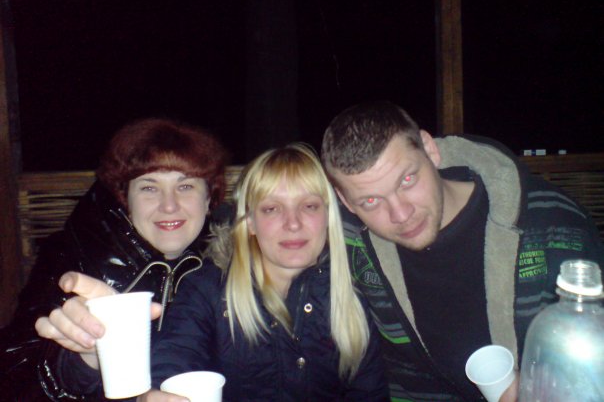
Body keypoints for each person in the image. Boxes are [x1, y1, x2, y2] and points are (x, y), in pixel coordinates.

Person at [320, 101, 604, 401]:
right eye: (371, 201)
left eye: (407, 179)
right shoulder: (349, 240)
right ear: (346, 201)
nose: (401, 214)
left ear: (430, 150)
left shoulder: (553, 222)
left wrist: (549, 383)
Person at [0, 117, 228, 401]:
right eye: (149, 187)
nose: (169, 205)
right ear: (126, 199)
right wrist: (83, 361)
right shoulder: (73, 258)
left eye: (185, 186)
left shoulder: (229, 265)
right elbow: (14, 379)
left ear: (208, 199)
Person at [140, 143, 389, 401]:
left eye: (309, 206)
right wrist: (156, 392)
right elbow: (174, 356)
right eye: (272, 209)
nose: (293, 224)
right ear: (250, 222)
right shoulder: (207, 290)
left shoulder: (352, 297)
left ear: (328, 216)